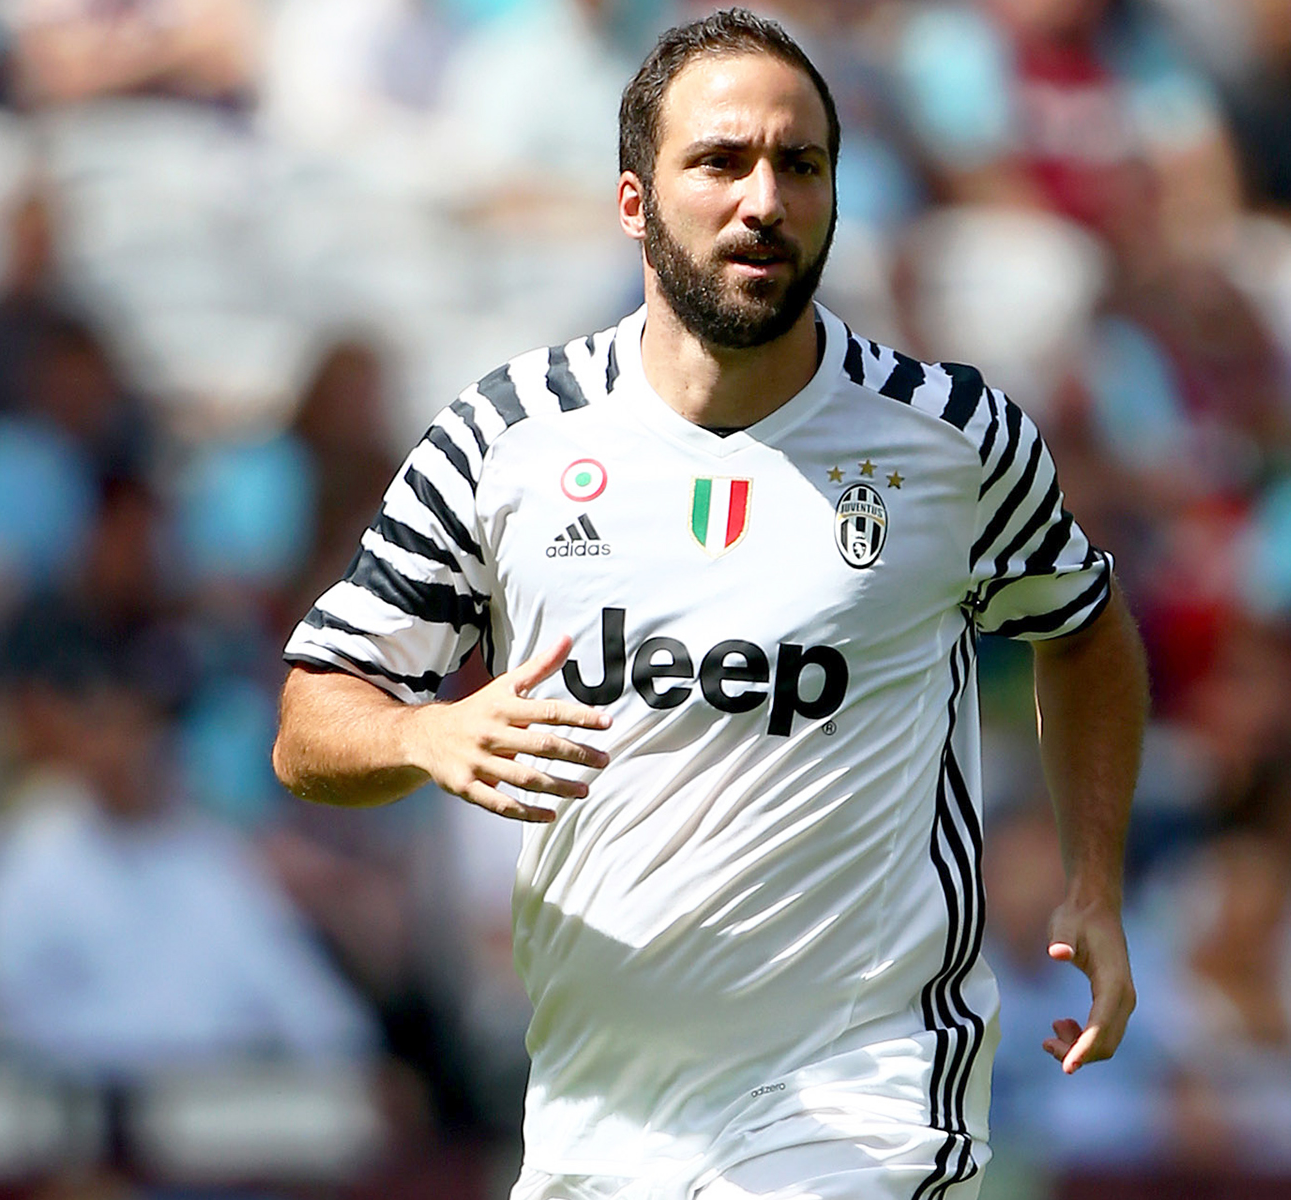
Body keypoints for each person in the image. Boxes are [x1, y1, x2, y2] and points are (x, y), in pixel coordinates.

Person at [272, 9, 1146, 1198]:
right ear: (634, 201)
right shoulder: (505, 439)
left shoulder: (949, 436)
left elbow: (1082, 624)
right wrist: (427, 734)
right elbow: (311, 721)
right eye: (721, 162)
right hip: (598, 1110)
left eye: (800, 164)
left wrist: (1096, 879)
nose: (764, 200)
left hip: (864, 1093)